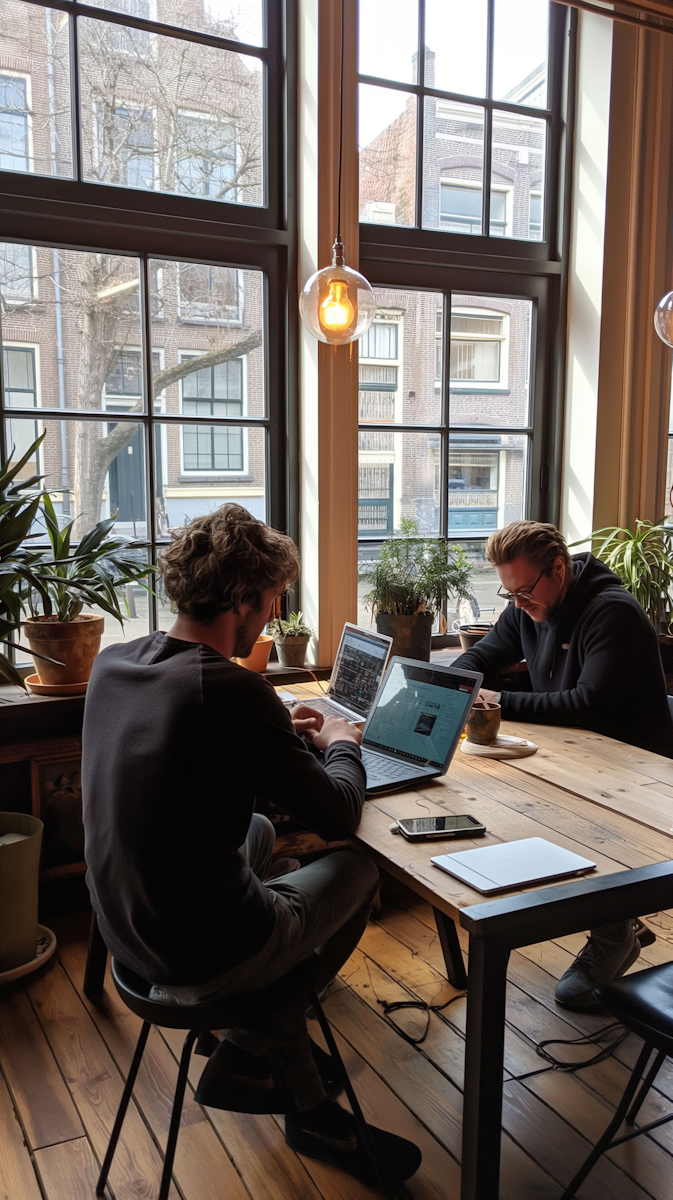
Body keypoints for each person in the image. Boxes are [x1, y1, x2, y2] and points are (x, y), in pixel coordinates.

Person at [81, 504, 421, 1189]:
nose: (269, 618)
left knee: (261, 831)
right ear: (239, 599)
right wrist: (340, 746)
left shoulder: (118, 663)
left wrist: (284, 734)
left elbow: (196, 755)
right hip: (198, 957)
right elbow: (337, 813)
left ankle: (261, 1049)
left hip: (126, 934)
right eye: (268, 604)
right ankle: (256, 1045)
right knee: (360, 865)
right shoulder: (231, 689)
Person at [453, 520, 673, 1011]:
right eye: (508, 591)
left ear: (559, 567)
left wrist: (495, 699)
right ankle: (619, 919)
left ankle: (615, 931)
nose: (518, 603)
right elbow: (483, 657)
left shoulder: (611, 611)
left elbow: (585, 703)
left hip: (633, 775)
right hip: (580, 759)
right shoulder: (528, 605)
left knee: (543, 812)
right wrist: (449, 684)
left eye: (525, 590)